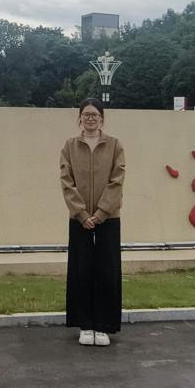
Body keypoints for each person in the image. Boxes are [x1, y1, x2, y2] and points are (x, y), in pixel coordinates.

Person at [59, 98, 125, 347]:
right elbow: (66, 181)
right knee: (81, 270)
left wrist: (102, 211)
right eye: (86, 114)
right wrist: (81, 213)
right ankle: (85, 325)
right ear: (80, 118)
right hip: (80, 219)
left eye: (94, 114)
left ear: (102, 119)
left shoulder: (115, 145)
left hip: (108, 217)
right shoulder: (69, 146)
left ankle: (104, 326)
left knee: (107, 270)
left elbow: (117, 180)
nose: (90, 118)